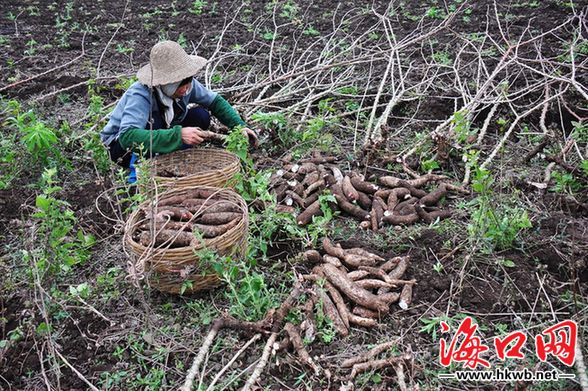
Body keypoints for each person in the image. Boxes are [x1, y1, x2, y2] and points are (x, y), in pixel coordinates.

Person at [100, 40, 257, 174]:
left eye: (188, 81)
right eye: (181, 84)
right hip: (122, 148)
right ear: (166, 82)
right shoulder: (140, 94)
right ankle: (146, 168)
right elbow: (128, 136)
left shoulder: (187, 85)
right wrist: (178, 135)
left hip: (161, 129)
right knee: (153, 121)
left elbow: (215, 101)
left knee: (200, 116)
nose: (187, 88)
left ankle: (168, 157)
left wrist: (239, 126)